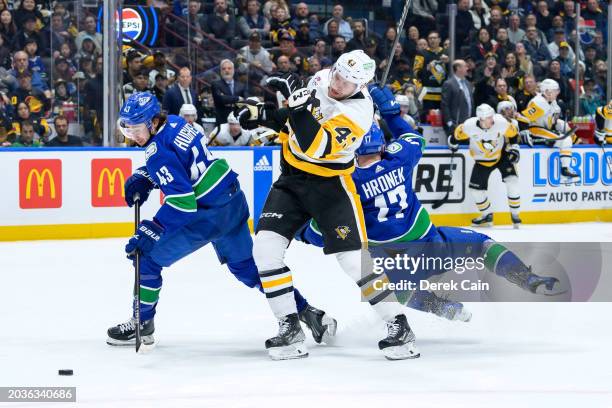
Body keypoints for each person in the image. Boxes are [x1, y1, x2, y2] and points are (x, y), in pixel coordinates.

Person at [296, 87, 563, 318]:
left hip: (390, 262)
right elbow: (412, 136)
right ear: (381, 144)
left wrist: (299, 231)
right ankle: (528, 278)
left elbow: (320, 234)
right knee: (482, 245)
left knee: (398, 292)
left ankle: (445, 309)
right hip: (430, 243)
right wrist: (390, 114)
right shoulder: (398, 158)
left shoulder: (345, 183)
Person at [106, 92, 335, 347]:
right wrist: (149, 175)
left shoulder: (157, 152)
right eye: (128, 130)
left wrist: (153, 229)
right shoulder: (175, 121)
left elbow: (183, 203)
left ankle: (142, 323)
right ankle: (307, 312)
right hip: (231, 199)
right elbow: (187, 162)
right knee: (248, 269)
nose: (134, 136)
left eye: (137, 129)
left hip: (208, 214)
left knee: (146, 259)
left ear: (151, 122)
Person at [236, 50, 417, 360]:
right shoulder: (322, 79)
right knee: (264, 250)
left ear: (360, 85)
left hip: (330, 187)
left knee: (352, 260)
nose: (336, 84)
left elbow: (315, 145)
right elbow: (294, 123)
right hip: (291, 181)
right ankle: (289, 327)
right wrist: (263, 116)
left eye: (346, 82)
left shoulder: (359, 113)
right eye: (336, 74)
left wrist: (296, 102)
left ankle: (399, 325)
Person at [449, 104, 522, 227]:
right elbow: (455, 136)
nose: (491, 120)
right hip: (481, 160)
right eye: (488, 118)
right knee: (476, 191)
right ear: (480, 119)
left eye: (491, 116)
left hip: (501, 155)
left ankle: (515, 215)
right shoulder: (469, 126)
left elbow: (514, 135)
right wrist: (453, 144)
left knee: (513, 181)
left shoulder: (500, 122)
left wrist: (515, 148)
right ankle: (486, 215)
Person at [517, 79, 578, 182]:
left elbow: (551, 120)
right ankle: (565, 170)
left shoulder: (551, 101)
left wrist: (560, 124)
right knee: (564, 140)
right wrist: (523, 131)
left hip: (543, 129)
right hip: (535, 131)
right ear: (547, 91)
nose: (558, 92)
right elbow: (523, 117)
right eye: (555, 90)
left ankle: (574, 147)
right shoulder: (539, 102)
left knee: (565, 129)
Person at [441, 59, 474, 137]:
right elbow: (445, 105)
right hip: (455, 125)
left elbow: (470, 103)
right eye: (465, 66)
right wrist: (449, 123)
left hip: (468, 125)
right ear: (458, 68)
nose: (467, 68)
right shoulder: (449, 84)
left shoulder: (468, 84)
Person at [211, 60, 246, 125]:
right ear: (221, 71)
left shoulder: (241, 86)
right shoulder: (216, 84)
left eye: (229, 68)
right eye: (224, 69)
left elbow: (245, 101)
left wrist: (226, 99)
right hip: (222, 120)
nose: (227, 70)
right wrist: (238, 98)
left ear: (233, 70)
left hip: (238, 120)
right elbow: (220, 99)